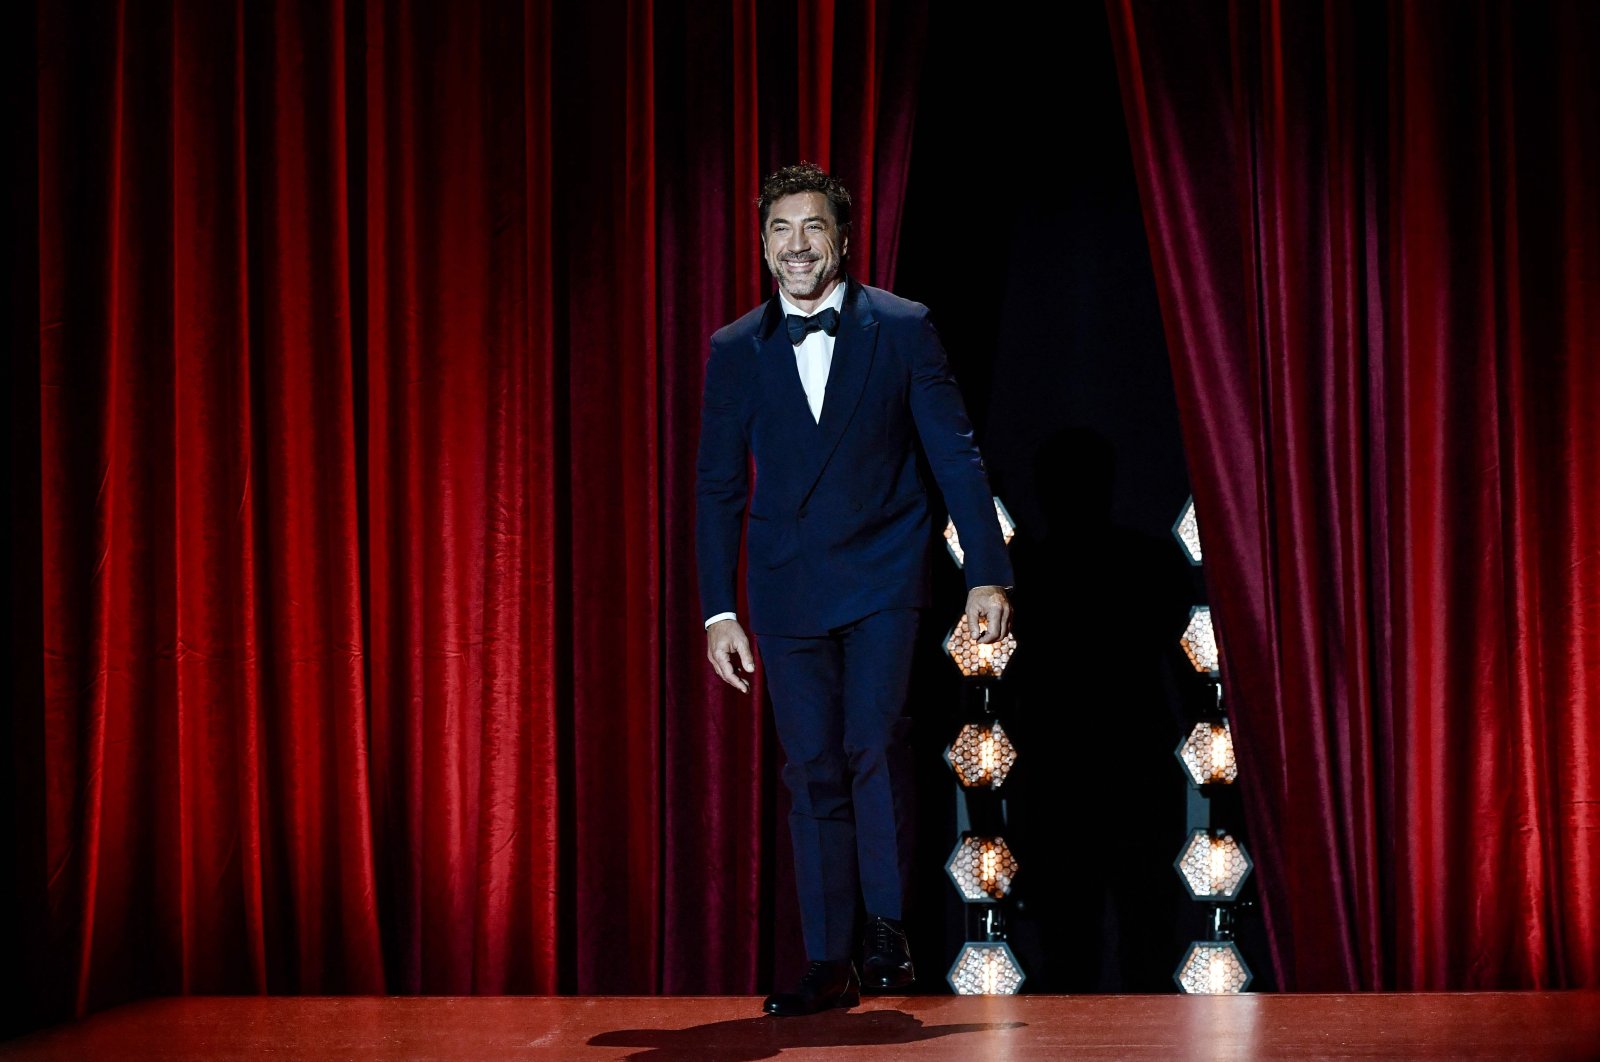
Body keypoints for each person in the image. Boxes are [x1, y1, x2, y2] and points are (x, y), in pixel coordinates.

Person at [695, 163, 1013, 1016]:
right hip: (786, 589)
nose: (797, 247)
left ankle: (886, 928)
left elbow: (954, 452)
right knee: (811, 769)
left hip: (882, 573)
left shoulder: (902, 328)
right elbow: (719, 485)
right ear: (764, 246)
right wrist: (718, 609)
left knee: (873, 742)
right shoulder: (736, 349)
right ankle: (828, 956)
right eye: (780, 231)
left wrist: (986, 568)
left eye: (812, 229)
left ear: (841, 238)